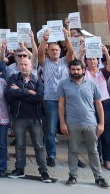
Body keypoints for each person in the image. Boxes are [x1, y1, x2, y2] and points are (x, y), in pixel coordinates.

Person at [57, 59, 109, 188]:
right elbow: (61, 105)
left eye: (78, 69)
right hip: (72, 123)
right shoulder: (63, 84)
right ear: (70, 70)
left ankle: (99, 177)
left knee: (93, 151)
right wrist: (62, 123)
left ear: (83, 70)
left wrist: (101, 123)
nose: (76, 72)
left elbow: (99, 104)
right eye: (73, 69)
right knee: (73, 150)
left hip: (90, 123)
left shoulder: (92, 84)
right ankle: (72, 175)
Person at [5, 58, 51, 182]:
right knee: (20, 145)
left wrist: (20, 92)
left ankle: (44, 171)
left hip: (35, 117)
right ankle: (19, 169)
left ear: (31, 66)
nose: (23, 66)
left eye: (26, 64)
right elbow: (9, 94)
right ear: (18, 66)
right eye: (21, 64)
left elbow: (39, 97)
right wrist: (28, 92)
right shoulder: (13, 78)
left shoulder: (37, 79)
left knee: (39, 145)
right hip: (18, 117)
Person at [38, 29, 74, 167]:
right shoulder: (45, 62)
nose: (54, 52)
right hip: (51, 100)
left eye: (57, 50)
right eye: (52, 50)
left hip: (67, 100)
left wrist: (67, 37)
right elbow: (40, 53)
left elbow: (71, 52)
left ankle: (74, 157)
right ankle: (51, 155)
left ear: (60, 51)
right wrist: (44, 40)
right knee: (51, 130)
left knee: (71, 130)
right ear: (49, 51)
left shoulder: (65, 61)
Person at [81, 45, 110, 170]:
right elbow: (77, 66)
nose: (92, 61)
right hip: (90, 105)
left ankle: (107, 159)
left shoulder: (103, 72)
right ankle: (97, 158)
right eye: (89, 59)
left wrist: (106, 52)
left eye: (94, 59)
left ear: (98, 60)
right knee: (93, 134)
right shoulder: (84, 72)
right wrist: (81, 53)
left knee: (106, 133)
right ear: (86, 61)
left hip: (105, 104)